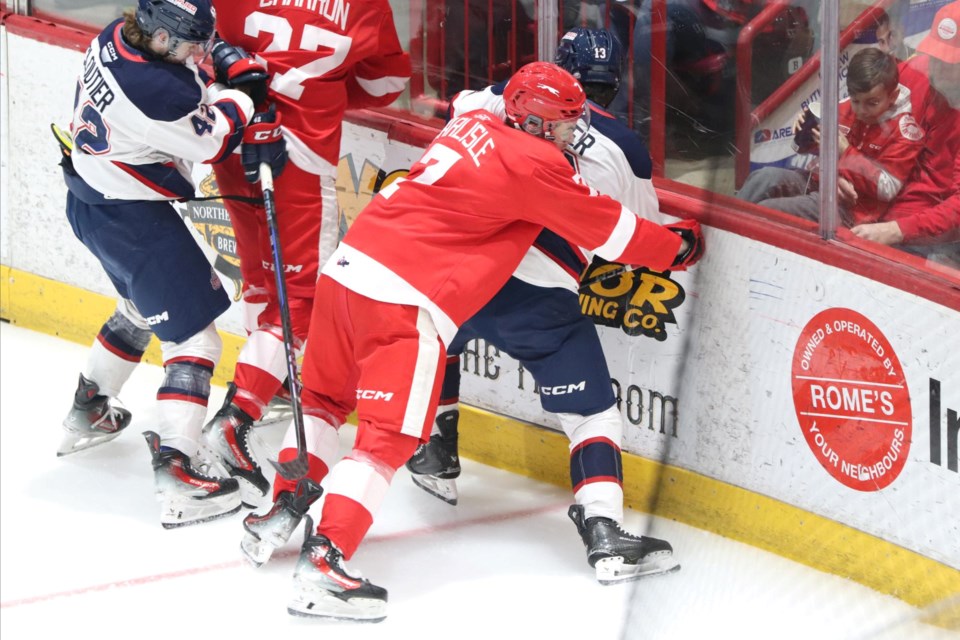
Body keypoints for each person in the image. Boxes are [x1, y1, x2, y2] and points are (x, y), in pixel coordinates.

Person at [245, 61, 703, 622]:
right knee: (385, 441)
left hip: (347, 270)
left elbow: (470, 98)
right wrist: (678, 249)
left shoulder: (472, 122)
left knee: (321, 401)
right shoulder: (536, 163)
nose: (568, 135)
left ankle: (279, 511)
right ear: (534, 124)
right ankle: (324, 562)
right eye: (561, 124)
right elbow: (617, 234)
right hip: (403, 296)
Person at [401, 27, 681, 585]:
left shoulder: (501, 100)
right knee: (591, 415)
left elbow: (457, 110)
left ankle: (439, 447)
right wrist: (677, 247)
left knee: (439, 336)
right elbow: (640, 231)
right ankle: (603, 531)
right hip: (546, 297)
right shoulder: (626, 145)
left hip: (473, 272)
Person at [57, 0, 284, 527]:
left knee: (139, 309)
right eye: (192, 43)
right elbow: (213, 140)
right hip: (133, 222)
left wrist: (213, 68)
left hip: (89, 200)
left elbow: (183, 85)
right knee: (196, 341)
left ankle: (89, 408)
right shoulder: (158, 92)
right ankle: (178, 474)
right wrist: (243, 96)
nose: (200, 51)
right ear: (159, 39)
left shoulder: (115, 35)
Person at [199, 0, 413, 507]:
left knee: (257, 277)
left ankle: (268, 384)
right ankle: (239, 413)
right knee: (300, 301)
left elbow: (192, 36)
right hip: (300, 154)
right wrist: (327, 92)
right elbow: (388, 84)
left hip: (232, 137)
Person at [738, 47, 925, 229]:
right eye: (856, 100)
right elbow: (808, 149)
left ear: (893, 96)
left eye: (872, 103)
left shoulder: (905, 132)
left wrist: (845, 152)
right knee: (763, 178)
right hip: (819, 181)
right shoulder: (844, 107)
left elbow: (888, 188)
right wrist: (805, 131)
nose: (860, 110)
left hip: (851, 209)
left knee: (767, 211)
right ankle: (725, 233)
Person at [848, 1, 960, 264]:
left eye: (951, 61)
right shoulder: (914, 71)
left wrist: (895, 230)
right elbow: (857, 113)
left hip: (925, 233)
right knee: (771, 184)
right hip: (870, 204)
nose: (938, 68)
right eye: (935, 56)